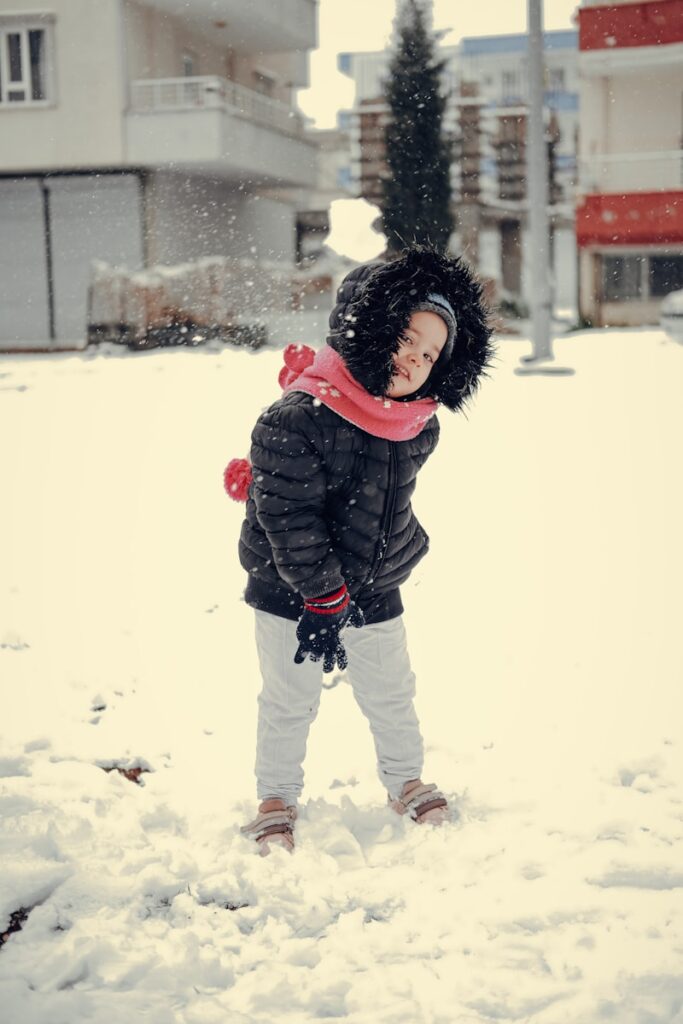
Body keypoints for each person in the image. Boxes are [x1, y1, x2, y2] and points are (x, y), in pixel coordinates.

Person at [228, 246, 494, 853]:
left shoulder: (415, 422)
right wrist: (322, 595)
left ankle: (406, 780)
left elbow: (386, 497)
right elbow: (287, 518)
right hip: (291, 585)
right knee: (289, 699)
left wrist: (399, 549)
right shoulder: (296, 419)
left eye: (431, 354)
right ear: (373, 324)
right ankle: (275, 798)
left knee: (390, 688)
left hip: (373, 582)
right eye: (406, 337)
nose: (415, 359)